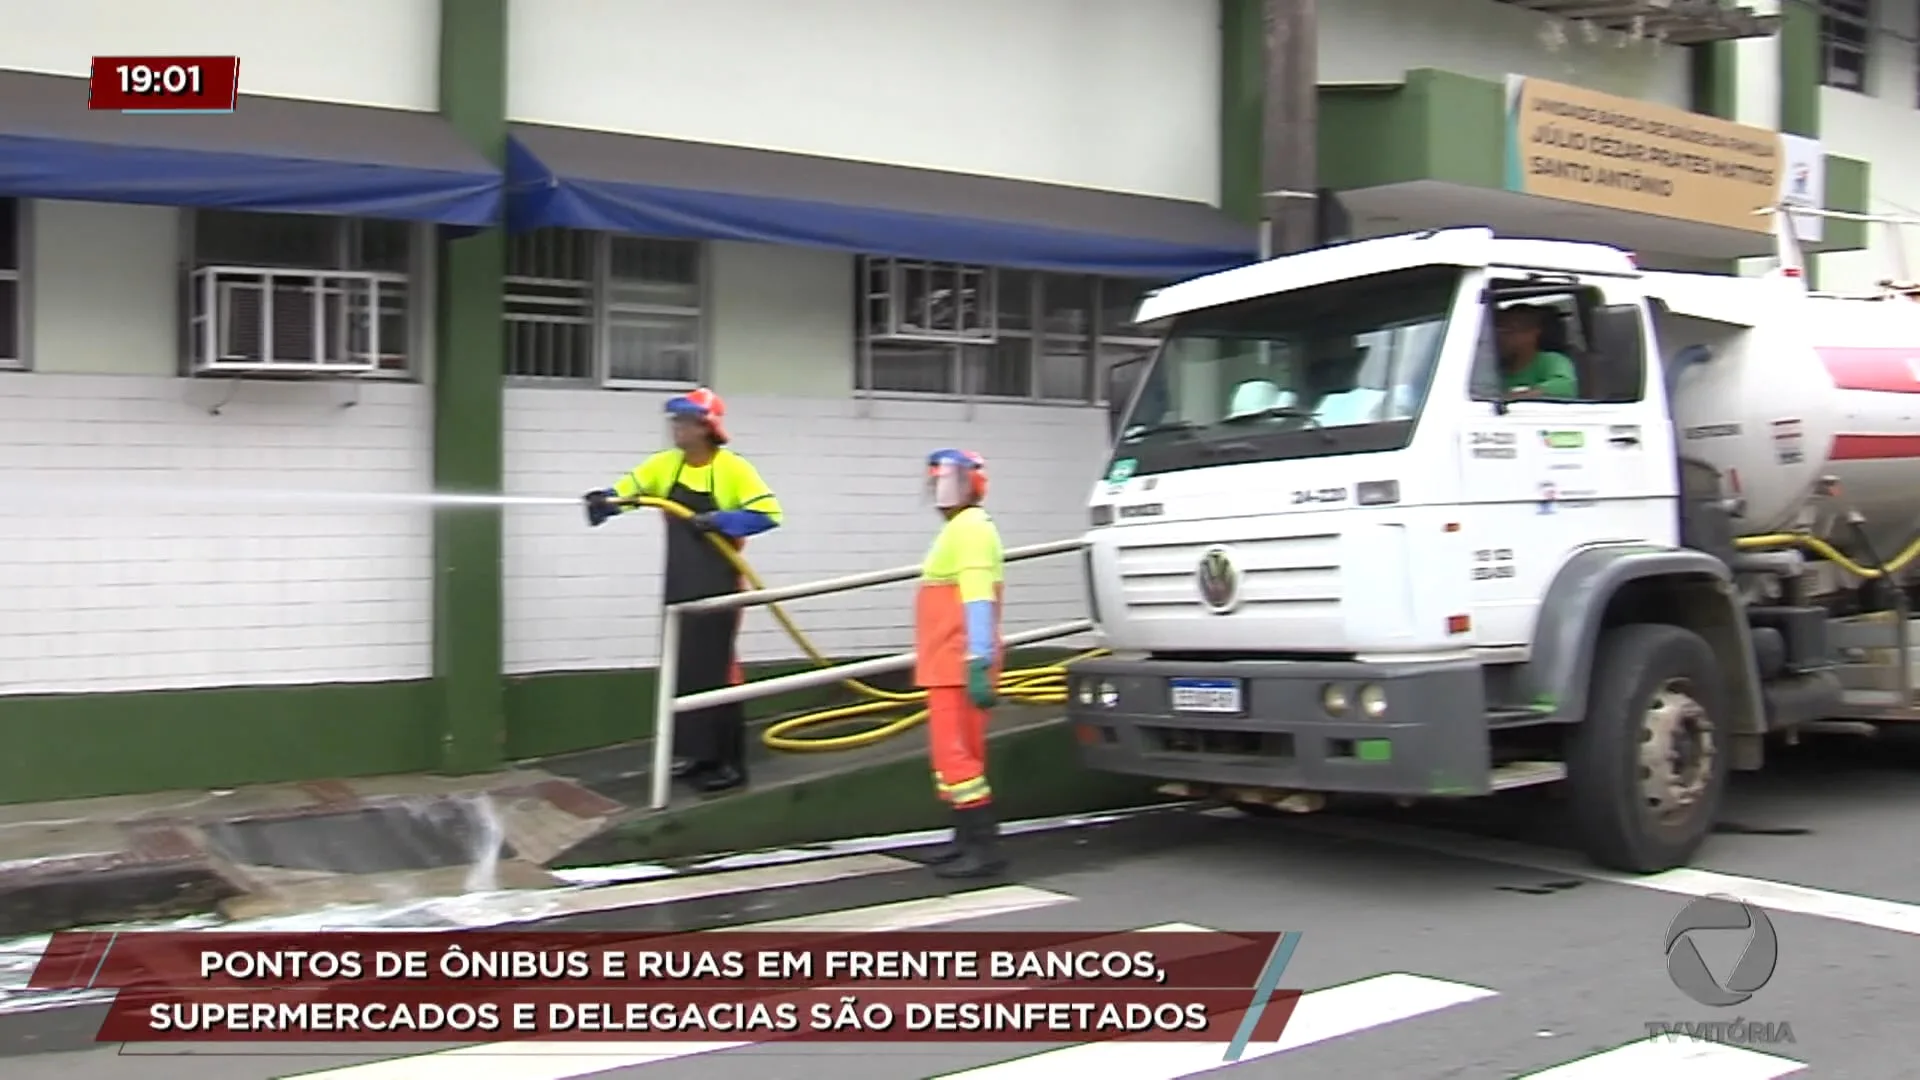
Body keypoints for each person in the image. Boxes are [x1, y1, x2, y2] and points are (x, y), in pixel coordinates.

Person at [582, 388, 782, 794]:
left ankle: (730, 763)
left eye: (684, 421)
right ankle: (697, 755)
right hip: (679, 583)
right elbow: (628, 494)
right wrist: (603, 502)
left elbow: (768, 514)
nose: (676, 428)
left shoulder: (731, 469)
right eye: (674, 421)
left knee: (719, 671)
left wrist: (723, 520)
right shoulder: (665, 466)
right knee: (684, 668)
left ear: (706, 427)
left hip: (719, 584)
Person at [914, 449, 1007, 879]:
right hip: (949, 662)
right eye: (936, 481)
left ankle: (982, 848)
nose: (939, 490)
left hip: (956, 663)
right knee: (955, 757)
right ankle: (964, 840)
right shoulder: (965, 527)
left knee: (955, 757)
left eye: (947, 481)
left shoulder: (968, 529)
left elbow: (977, 597)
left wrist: (977, 660)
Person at [1494, 304, 1579, 400]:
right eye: (1497, 331)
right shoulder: (1490, 367)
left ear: (1532, 334)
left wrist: (1515, 396)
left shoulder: (1551, 361)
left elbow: (1564, 387)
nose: (1500, 338)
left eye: (1508, 332)